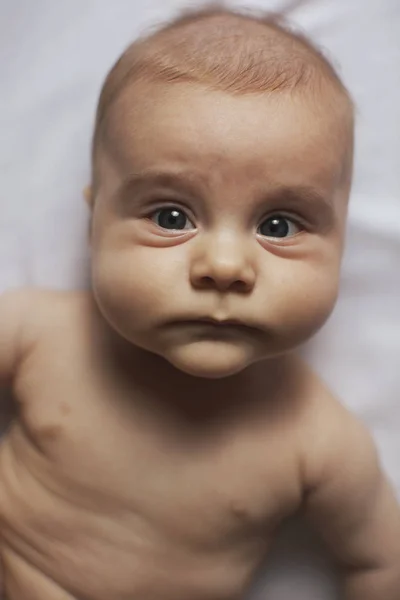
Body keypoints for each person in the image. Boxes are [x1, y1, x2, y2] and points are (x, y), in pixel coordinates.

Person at [0, 5, 399, 599]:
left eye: (281, 225)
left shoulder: (317, 441)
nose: (224, 267)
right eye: (170, 216)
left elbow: (381, 564)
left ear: (341, 241)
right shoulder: (37, 333)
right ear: (93, 224)